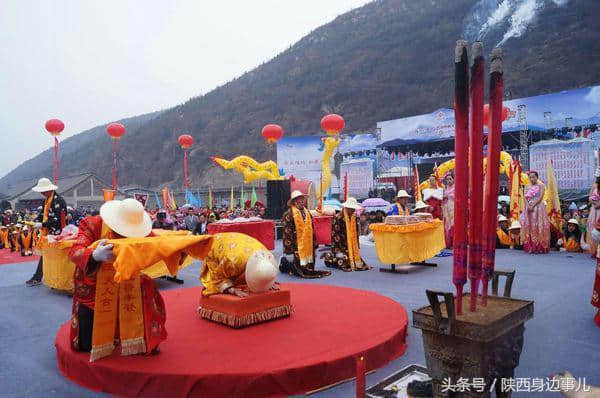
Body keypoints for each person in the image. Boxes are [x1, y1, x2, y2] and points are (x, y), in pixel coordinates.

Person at [68, 198, 167, 360]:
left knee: (146, 285)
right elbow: (75, 251)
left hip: (126, 278)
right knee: (86, 344)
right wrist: (94, 255)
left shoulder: (141, 229)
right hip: (95, 282)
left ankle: (141, 337)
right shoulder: (92, 224)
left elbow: (155, 244)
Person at [200, 232, 278, 297]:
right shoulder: (232, 261)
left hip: (239, 243)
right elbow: (217, 276)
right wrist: (232, 290)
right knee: (217, 282)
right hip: (216, 244)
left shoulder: (267, 255)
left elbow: (264, 269)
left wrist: (266, 281)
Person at [26, 178, 67, 286]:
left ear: (50, 189)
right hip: (49, 233)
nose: (42, 193)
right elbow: (42, 215)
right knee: (45, 255)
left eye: (43, 191)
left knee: (58, 258)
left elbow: (57, 220)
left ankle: (61, 281)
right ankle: (38, 277)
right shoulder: (47, 200)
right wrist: (34, 222)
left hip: (58, 233)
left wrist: (42, 224)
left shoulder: (59, 201)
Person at [280, 190, 331, 278]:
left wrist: (315, 245)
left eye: (302, 199)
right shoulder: (288, 215)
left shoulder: (307, 213)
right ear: (293, 202)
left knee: (308, 267)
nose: (301, 201)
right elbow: (286, 235)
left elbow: (312, 229)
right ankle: (285, 261)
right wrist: (289, 252)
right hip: (295, 246)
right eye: (298, 199)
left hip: (307, 244)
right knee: (296, 268)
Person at [323, 197, 369, 272]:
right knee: (345, 260)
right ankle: (329, 258)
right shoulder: (338, 218)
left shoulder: (354, 218)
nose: (352, 210)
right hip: (339, 246)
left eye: (353, 208)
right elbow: (335, 235)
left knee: (358, 261)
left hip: (350, 246)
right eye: (350, 208)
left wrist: (356, 247)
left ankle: (333, 257)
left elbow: (356, 234)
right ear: (346, 207)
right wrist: (339, 250)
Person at [519, 171, 550, 254]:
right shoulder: (526, 186)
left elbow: (541, 197)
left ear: (537, 177)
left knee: (538, 225)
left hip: (538, 207)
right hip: (528, 208)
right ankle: (530, 246)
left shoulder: (541, 186)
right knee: (529, 225)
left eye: (534, 177)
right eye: (530, 177)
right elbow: (525, 197)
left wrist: (533, 205)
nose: (532, 179)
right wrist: (528, 206)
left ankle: (539, 246)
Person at [442, 173, 455, 248]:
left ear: (453, 179)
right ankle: (448, 243)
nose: (449, 181)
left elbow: (457, 197)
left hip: (453, 207)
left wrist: (448, 196)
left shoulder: (456, 187)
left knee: (453, 224)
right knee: (447, 224)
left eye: (450, 179)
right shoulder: (445, 189)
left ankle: (454, 242)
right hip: (446, 207)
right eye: (447, 179)